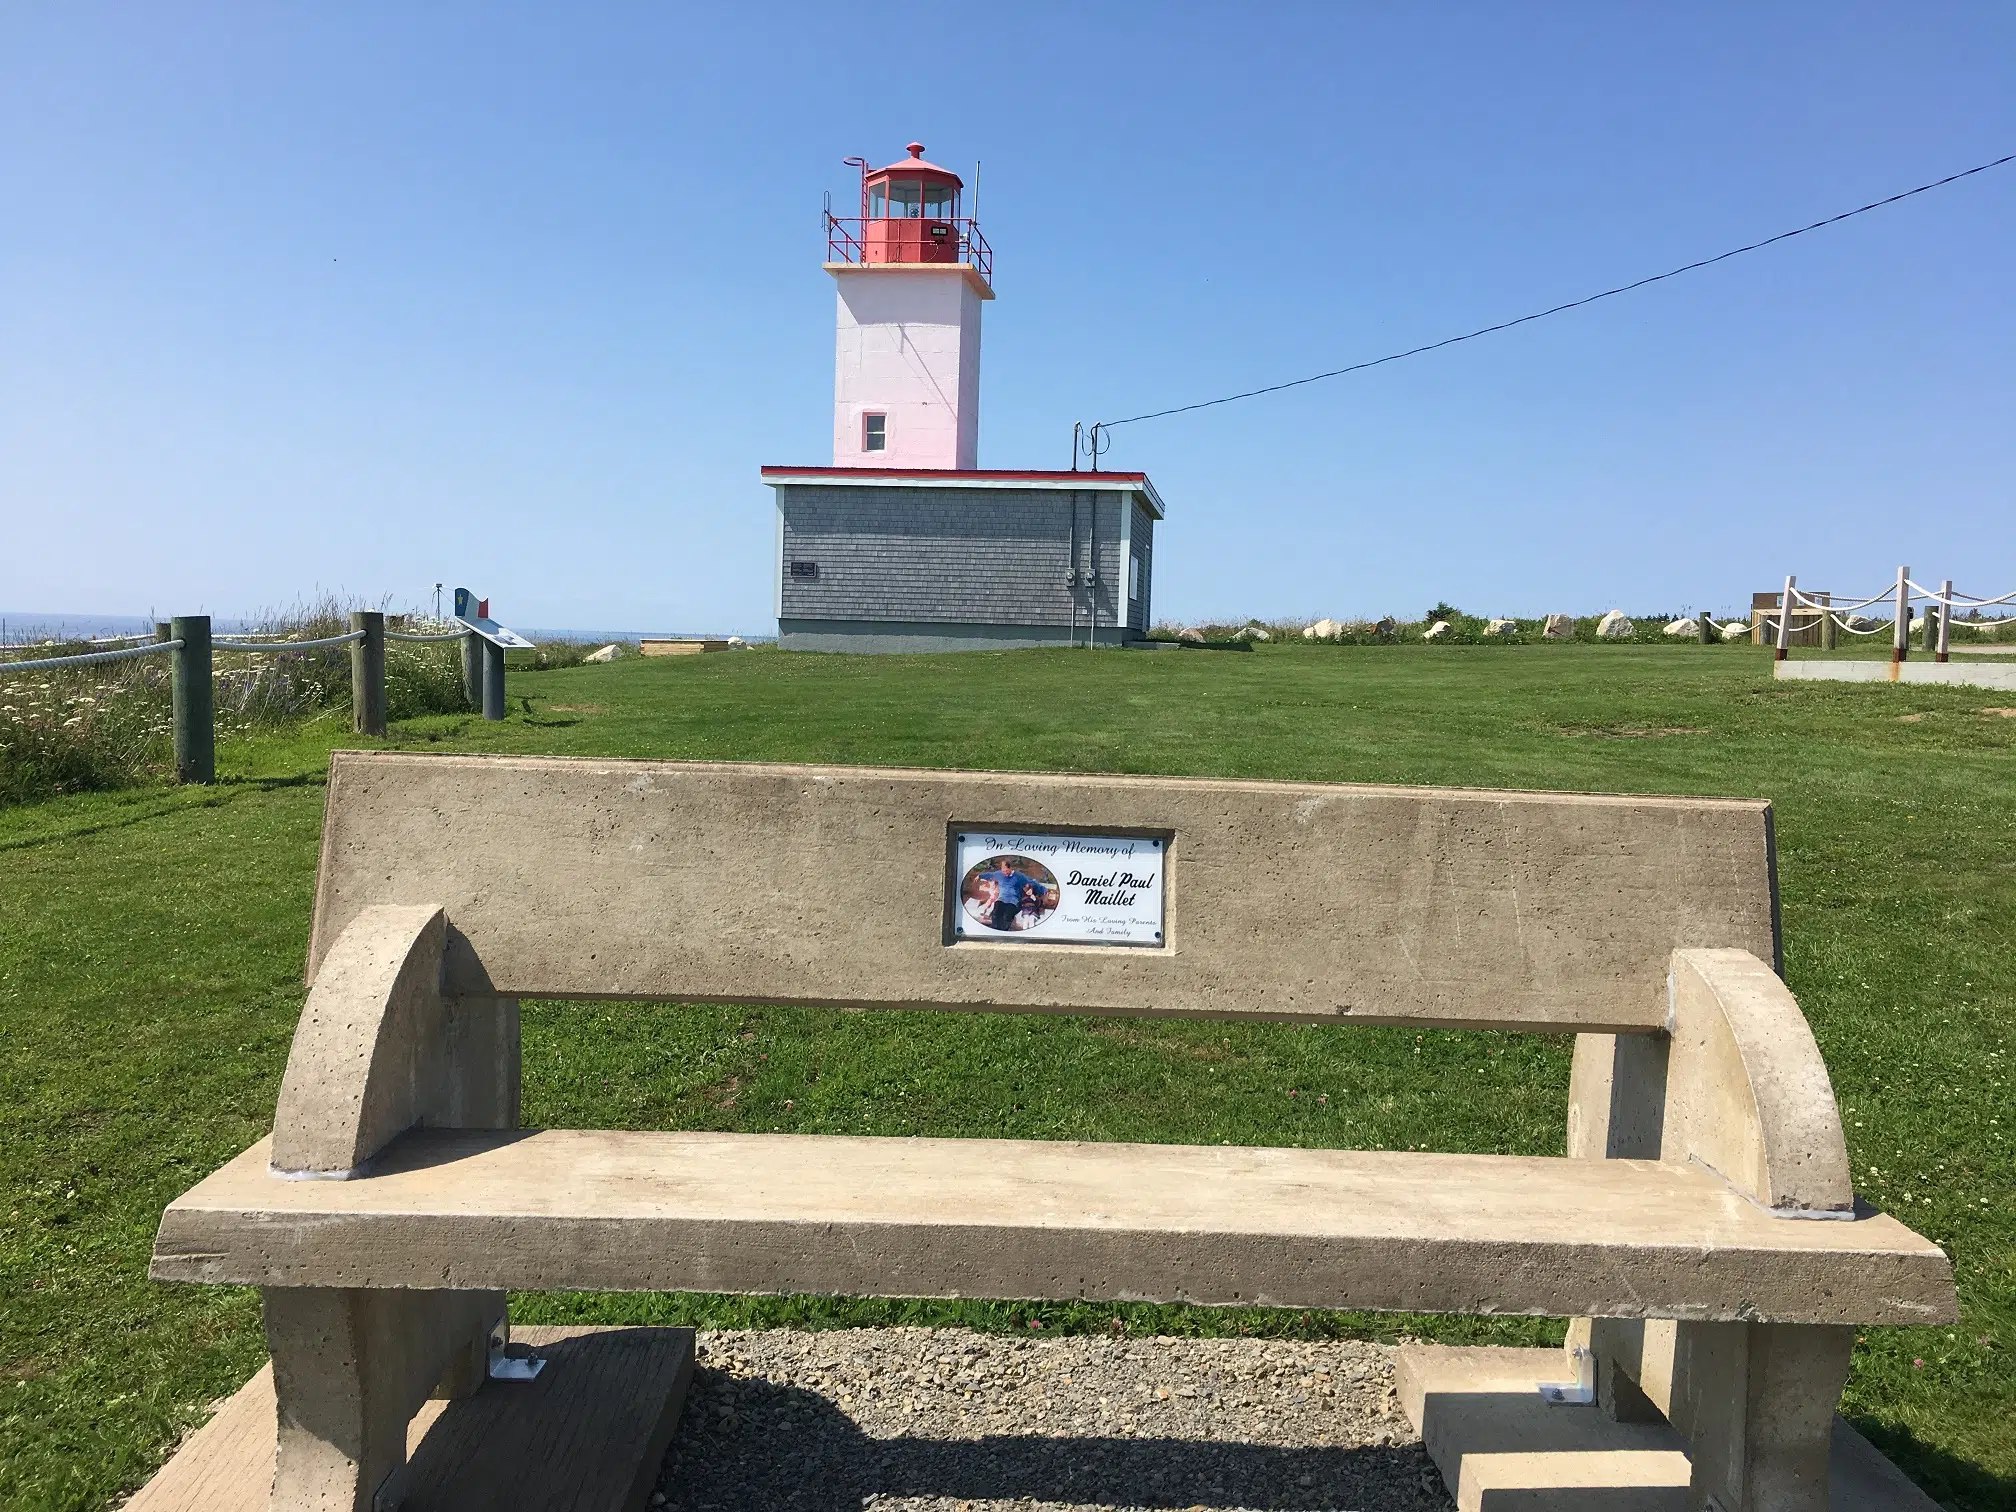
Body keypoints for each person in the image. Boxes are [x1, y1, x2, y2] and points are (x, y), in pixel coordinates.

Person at [975, 859, 1051, 932]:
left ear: (1010, 868)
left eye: (1006, 871)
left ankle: (1003, 930)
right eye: (1003, 871)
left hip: (1013, 901)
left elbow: (1031, 882)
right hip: (1002, 899)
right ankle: (996, 929)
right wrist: (980, 876)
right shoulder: (999, 874)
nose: (1005, 873)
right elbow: (990, 875)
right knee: (996, 912)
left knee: (1007, 915)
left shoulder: (1019, 876)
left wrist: (1044, 890)